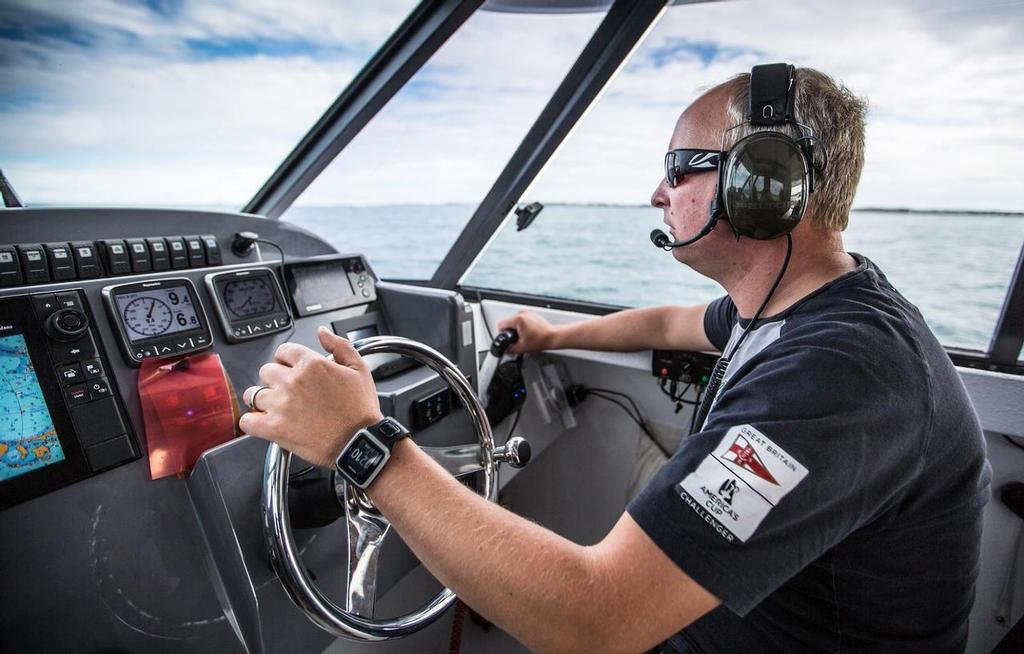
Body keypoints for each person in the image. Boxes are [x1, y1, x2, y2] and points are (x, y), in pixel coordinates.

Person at [240, 67, 991, 653]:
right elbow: (671, 322)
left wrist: (358, 442)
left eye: (680, 168)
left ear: (760, 183)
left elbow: (593, 622)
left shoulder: (844, 369)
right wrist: (553, 337)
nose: (657, 194)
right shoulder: (798, 308)